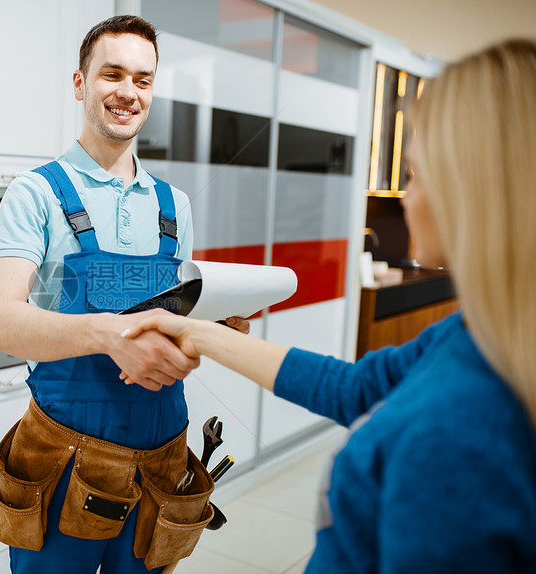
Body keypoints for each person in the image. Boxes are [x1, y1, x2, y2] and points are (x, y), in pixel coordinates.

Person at [122, 38, 536, 572]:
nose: (405, 196)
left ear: (469, 188)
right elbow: (355, 388)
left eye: (412, 173)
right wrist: (200, 333)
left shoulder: (454, 438)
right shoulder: (475, 338)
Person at [0, 15, 247, 574]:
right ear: (80, 83)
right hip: (61, 460)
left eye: (143, 79)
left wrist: (211, 329)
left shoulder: (175, 205)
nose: (129, 92)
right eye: (112, 74)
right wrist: (105, 332)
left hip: (163, 457)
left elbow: (171, 323)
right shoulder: (37, 193)